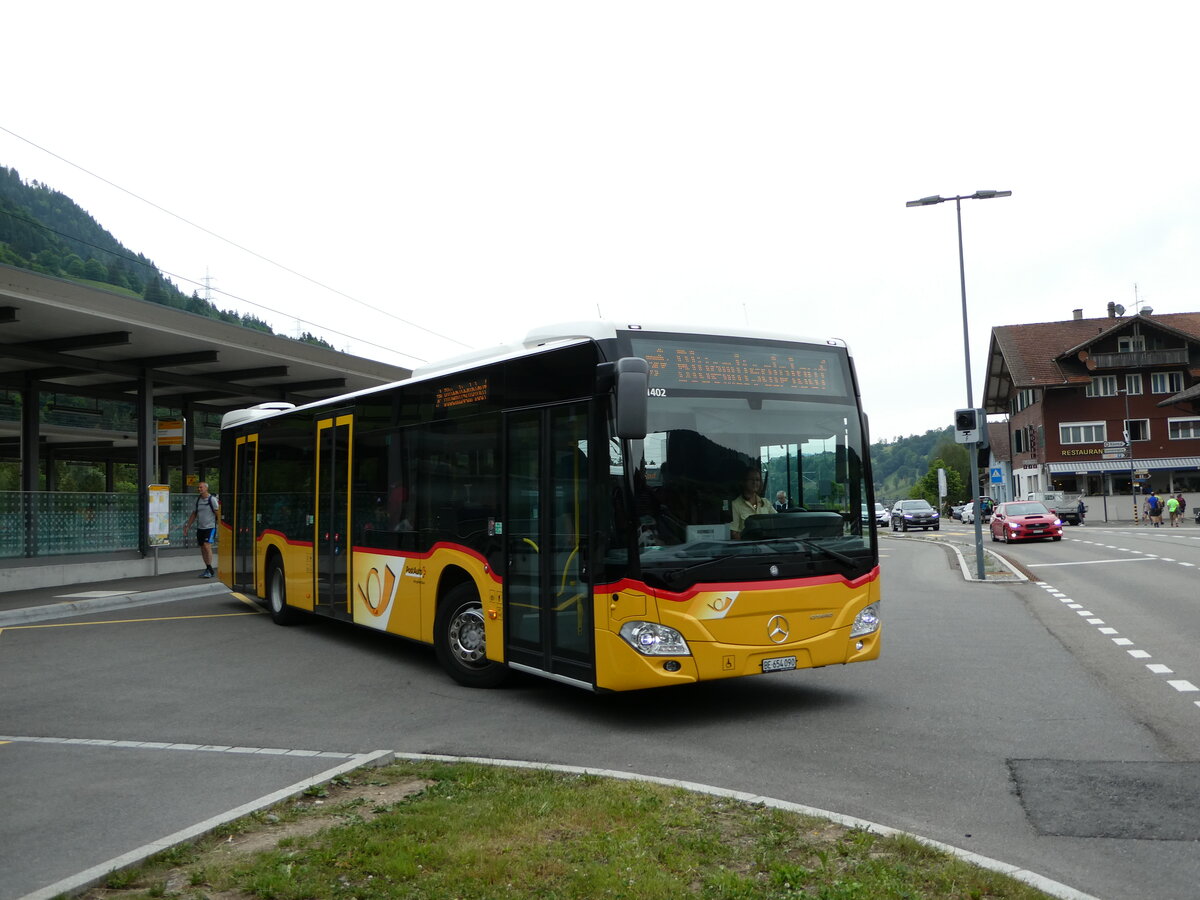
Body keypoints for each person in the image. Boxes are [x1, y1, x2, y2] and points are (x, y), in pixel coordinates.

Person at [184, 482, 220, 577]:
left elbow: (218, 513)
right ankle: (208, 568)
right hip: (200, 528)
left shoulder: (212, 500)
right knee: (203, 548)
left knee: (207, 545)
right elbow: (194, 514)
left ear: (206, 488)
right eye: (198, 487)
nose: (199, 489)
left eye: (201, 487)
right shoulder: (198, 500)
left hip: (210, 527)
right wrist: (188, 526)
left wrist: (220, 525)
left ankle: (209, 570)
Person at [731, 466, 776, 539]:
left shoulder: (765, 502)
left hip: (767, 545)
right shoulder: (735, 505)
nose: (755, 483)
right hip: (747, 547)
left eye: (757, 480)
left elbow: (778, 522)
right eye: (751, 479)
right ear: (744, 482)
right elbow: (734, 534)